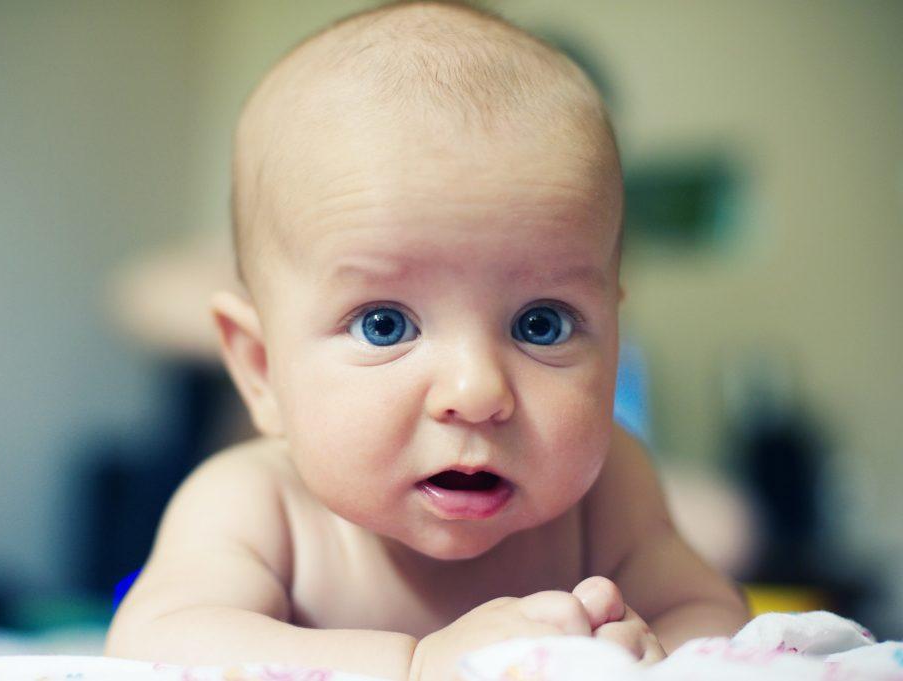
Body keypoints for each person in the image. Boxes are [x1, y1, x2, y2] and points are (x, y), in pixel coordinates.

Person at [104, 2, 749, 678]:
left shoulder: (611, 490)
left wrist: (661, 650)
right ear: (261, 369)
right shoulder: (256, 504)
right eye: (385, 324)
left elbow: (711, 609)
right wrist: (412, 663)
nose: (476, 391)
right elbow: (157, 641)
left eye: (541, 324)